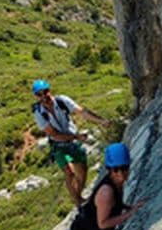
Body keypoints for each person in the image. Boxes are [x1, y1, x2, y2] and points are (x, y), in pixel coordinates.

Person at [31, 79, 110, 207]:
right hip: (58, 145)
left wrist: (101, 121)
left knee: (83, 170)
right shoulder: (39, 113)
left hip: (73, 142)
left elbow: (82, 111)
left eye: (45, 91)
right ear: (37, 97)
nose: (44, 96)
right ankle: (78, 202)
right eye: (40, 94)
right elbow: (54, 134)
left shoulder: (62, 101)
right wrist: (76, 136)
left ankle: (76, 195)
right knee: (69, 171)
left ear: (50, 90)